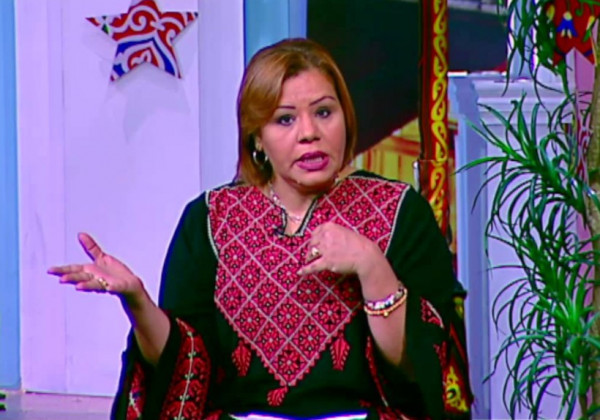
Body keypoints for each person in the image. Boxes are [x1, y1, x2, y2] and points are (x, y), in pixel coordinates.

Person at [48, 38, 472, 420]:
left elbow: (419, 370)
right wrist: (138, 301)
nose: (310, 133)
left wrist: (371, 265)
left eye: (324, 112)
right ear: (256, 139)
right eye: (285, 120)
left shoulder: (399, 212)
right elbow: (186, 365)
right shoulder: (209, 220)